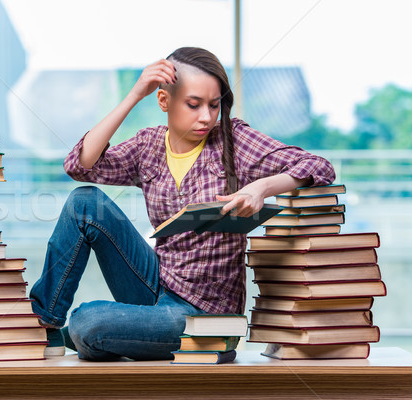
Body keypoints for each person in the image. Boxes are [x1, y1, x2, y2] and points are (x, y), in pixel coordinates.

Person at [29, 47, 335, 361]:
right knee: (85, 203)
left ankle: (106, 335)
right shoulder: (148, 145)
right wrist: (135, 94)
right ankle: (46, 325)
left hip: (202, 316)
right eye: (193, 104)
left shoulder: (235, 140)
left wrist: (262, 187)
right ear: (164, 101)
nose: (206, 116)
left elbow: (319, 166)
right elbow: (80, 165)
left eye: (213, 105)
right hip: (156, 285)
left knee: (86, 322)